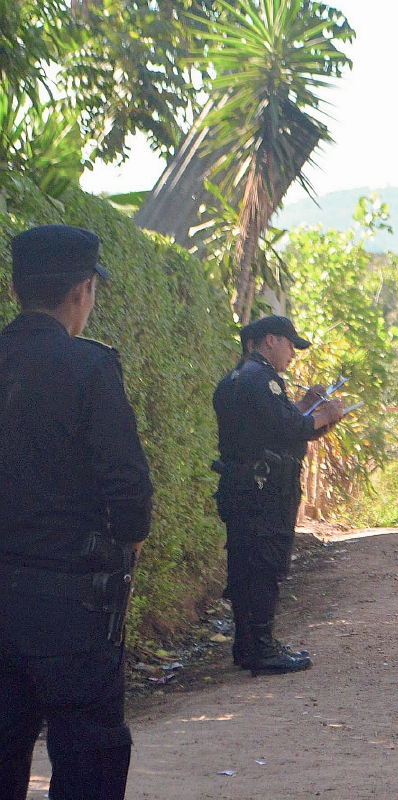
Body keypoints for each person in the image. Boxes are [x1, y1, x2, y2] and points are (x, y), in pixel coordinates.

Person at [0, 225, 155, 799]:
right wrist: (127, 547)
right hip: (71, 602)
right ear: (82, 291)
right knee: (88, 753)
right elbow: (128, 486)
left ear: (18, 288)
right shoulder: (90, 369)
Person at [212, 315, 344, 676]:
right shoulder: (262, 379)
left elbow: (280, 429)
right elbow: (290, 428)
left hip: (243, 488)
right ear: (270, 341)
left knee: (245, 566)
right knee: (264, 566)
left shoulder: (237, 379)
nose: (292, 355)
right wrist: (325, 414)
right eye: (289, 345)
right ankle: (261, 648)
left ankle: (249, 644)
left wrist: (308, 406)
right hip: (264, 491)